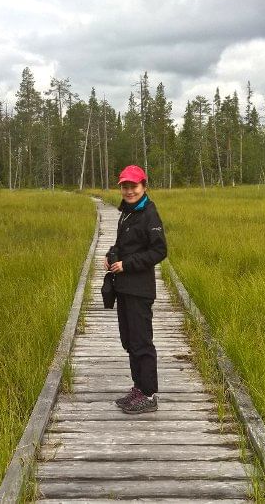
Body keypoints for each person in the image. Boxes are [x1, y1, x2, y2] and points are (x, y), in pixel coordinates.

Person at [104, 165, 167, 414]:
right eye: (125, 186)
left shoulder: (149, 214)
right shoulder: (128, 212)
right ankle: (138, 388)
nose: (129, 190)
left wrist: (127, 264)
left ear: (143, 186)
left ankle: (149, 394)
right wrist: (111, 256)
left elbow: (159, 251)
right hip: (125, 288)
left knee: (142, 342)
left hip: (140, 289)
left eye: (134, 186)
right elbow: (121, 245)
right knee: (129, 341)